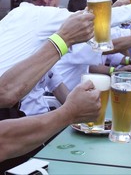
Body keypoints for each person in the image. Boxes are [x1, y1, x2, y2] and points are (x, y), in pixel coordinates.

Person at [0, 0, 131, 116]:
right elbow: (91, 19)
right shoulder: (39, 16)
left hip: (27, 112)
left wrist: (78, 112)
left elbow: (54, 80)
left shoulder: (11, 21)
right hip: (17, 118)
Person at [0, 12, 101, 172]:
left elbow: (6, 92)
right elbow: (3, 141)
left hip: (32, 139)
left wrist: (62, 40)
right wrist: (70, 112)